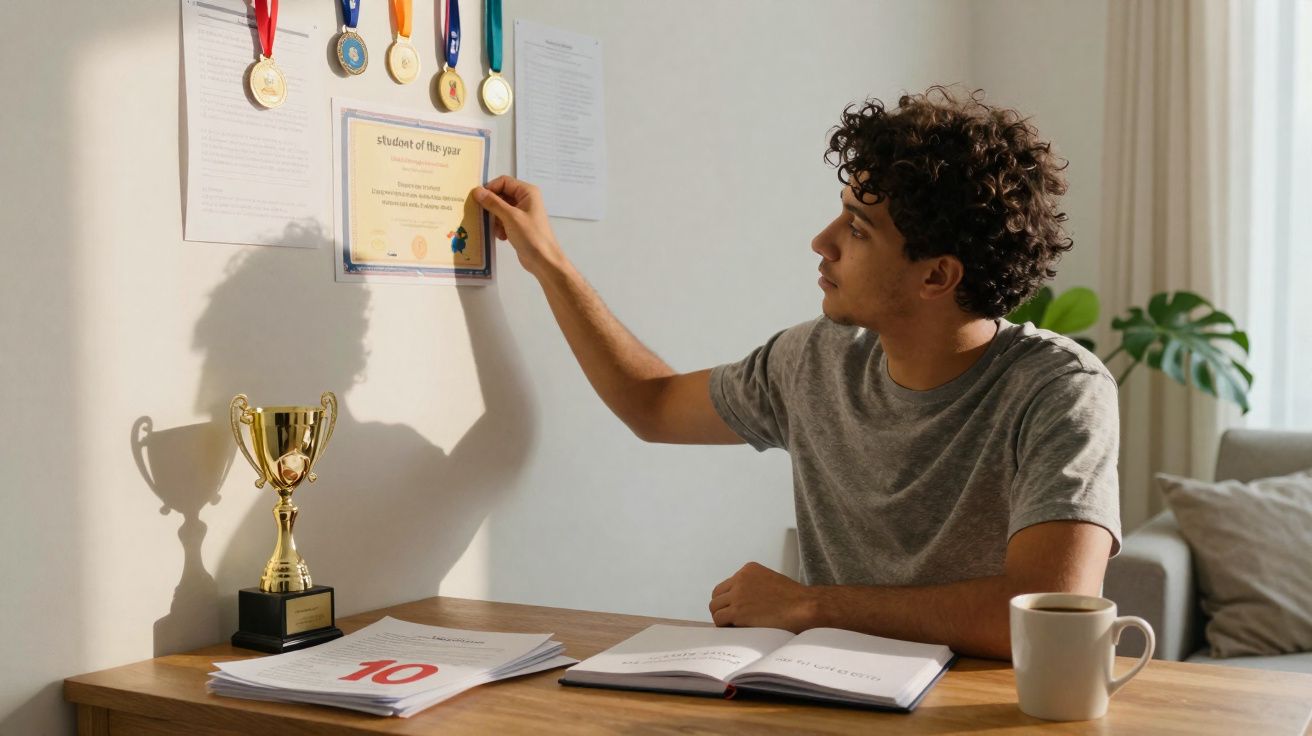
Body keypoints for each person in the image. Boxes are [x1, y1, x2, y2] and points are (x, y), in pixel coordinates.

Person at [471, 86, 1120, 660]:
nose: (822, 240)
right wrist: (548, 261)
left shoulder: (1059, 390)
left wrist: (811, 605)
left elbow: (1047, 612)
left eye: (858, 228)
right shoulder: (816, 359)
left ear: (936, 277)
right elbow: (652, 404)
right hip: (829, 697)